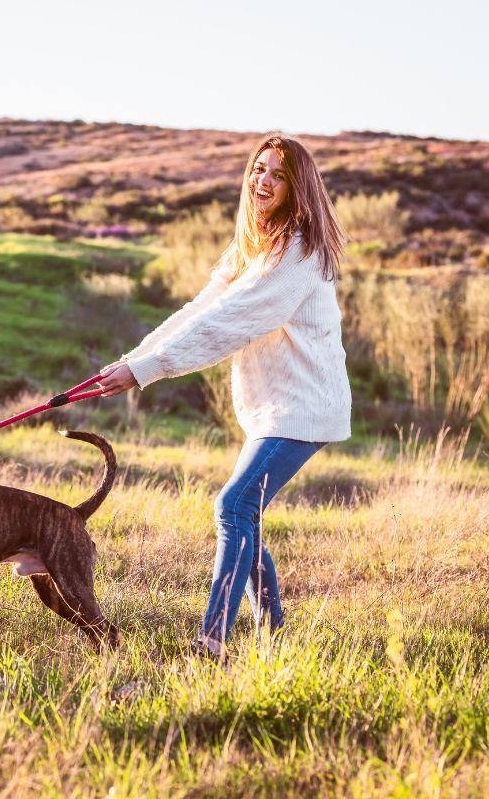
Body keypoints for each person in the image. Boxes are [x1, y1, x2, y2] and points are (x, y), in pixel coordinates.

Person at [97, 134, 351, 662]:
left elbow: (232, 324)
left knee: (232, 506)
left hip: (305, 409)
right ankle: (274, 634)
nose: (263, 181)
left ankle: (212, 641)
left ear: (297, 188)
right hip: (272, 410)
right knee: (246, 514)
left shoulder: (298, 253)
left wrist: (144, 373)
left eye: (278, 175)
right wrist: (135, 360)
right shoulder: (252, 248)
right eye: (259, 170)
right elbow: (200, 311)